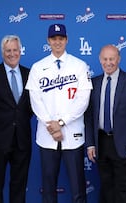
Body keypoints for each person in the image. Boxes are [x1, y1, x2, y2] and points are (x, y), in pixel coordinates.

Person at [25, 24, 92, 203]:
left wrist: (61, 122)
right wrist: (51, 125)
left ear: (67, 40)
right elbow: (35, 100)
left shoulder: (79, 65)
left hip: (73, 134)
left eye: (61, 38)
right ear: (48, 41)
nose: (57, 42)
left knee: (78, 188)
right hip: (47, 136)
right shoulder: (38, 67)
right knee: (48, 188)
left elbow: (82, 100)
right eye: (54, 39)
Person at [85, 45, 126, 203]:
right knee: (106, 186)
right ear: (100, 60)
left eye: (112, 59)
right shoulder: (93, 83)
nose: (108, 62)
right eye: (105, 59)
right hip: (101, 143)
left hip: (123, 143)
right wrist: (90, 144)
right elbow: (89, 116)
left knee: (123, 187)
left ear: (119, 59)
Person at [0, 35, 33, 203]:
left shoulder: (30, 74)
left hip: (22, 139)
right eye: (8, 50)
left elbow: (33, 106)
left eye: (15, 50)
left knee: (19, 185)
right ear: (2, 53)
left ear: (20, 51)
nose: (12, 54)